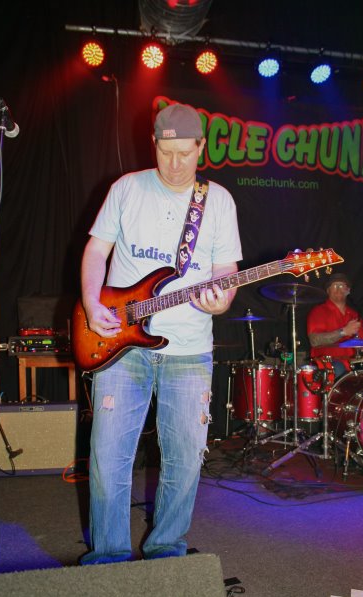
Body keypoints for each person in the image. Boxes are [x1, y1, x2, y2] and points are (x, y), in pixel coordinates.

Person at [78, 102, 242, 564]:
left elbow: (226, 269)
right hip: (122, 347)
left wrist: (223, 298)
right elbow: (96, 251)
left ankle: (167, 553)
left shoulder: (218, 200)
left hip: (189, 350)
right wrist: (91, 303)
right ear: (153, 144)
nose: (174, 164)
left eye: (184, 153)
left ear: (201, 148)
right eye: (165, 152)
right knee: (109, 457)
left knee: (185, 460)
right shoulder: (127, 189)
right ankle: (108, 558)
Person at [306, 272, 363, 379]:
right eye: (335, 286)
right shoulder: (318, 312)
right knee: (339, 368)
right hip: (327, 365)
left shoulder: (355, 315)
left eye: (342, 286)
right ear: (328, 290)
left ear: (348, 291)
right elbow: (314, 341)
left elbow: (361, 341)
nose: (339, 289)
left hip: (351, 364)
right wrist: (343, 332)